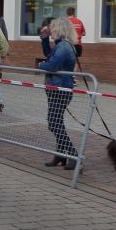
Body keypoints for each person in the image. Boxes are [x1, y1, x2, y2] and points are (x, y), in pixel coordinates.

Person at [38, 17, 79, 171]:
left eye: (52, 28)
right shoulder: (61, 45)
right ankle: (61, 155)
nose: (51, 30)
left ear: (59, 29)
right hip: (56, 88)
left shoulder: (64, 47)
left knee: (54, 123)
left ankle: (74, 155)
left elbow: (52, 65)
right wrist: (44, 38)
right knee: (56, 122)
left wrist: (41, 64)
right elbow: (48, 53)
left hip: (60, 89)